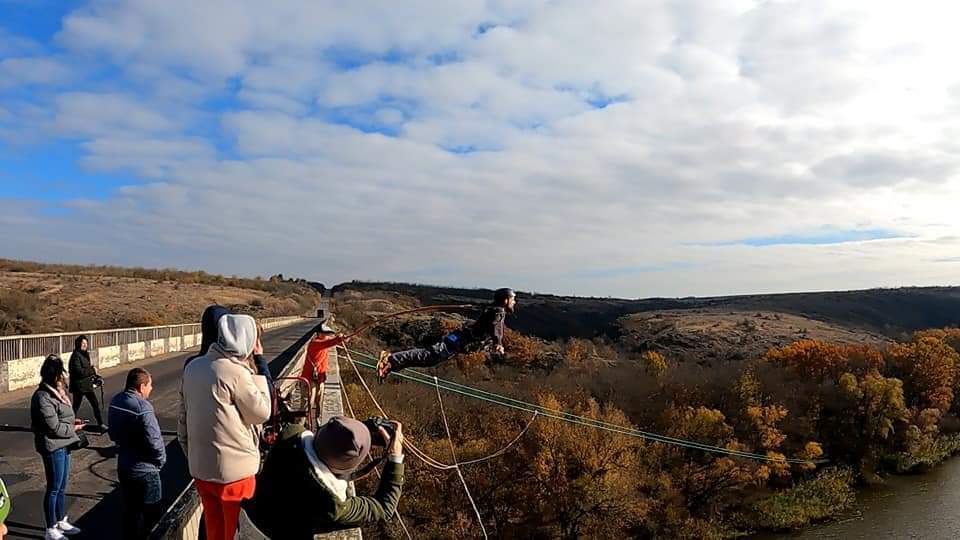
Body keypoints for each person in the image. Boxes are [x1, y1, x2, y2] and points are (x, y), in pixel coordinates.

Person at [178, 314, 272, 540]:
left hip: (202, 470)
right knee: (234, 530)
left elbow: (183, 421)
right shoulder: (236, 372)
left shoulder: (192, 368)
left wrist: (193, 456)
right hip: (234, 474)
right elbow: (262, 413)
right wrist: (257, 370)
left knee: (214, 529)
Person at [245, 416, 405, 539]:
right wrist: (395, 459)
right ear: (348, 467)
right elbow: (384, 507)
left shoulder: (290, 436)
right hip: (273, 533)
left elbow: (329, 438)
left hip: (249, 509)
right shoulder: (333, 505)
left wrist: (359, 430)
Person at [377, 288, 518, 379]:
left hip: (459, 340)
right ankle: (390, 359)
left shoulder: (493, 310)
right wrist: (498, 343)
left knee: (430, 359)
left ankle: (391, 364)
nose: (514, 302)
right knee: (429, 355)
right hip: (459, 340)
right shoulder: (498, 312)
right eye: (513, 299)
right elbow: (496, 328)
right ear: (506, 300)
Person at [108, 368, 166, 539]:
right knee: (152, 519)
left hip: (124, 466)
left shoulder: (116, 401)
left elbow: (112, 433)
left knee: (131, 514)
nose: (151, 389)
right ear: (141, 387)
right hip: (146, 470)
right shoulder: (143, 408)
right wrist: (160, 460)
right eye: (150, 385)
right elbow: (155, 440)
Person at [30, 355, 82, 540]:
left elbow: (62, 417)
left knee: (62, 486)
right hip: (53, 446)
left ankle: (61, 520)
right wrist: (72, 428)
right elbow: (54, 427)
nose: (64, 378)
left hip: (64, 443)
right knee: (53, 487)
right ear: (55, 376)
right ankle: (50, 527)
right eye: (61, 374)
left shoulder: (57, 393)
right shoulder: (43, 397)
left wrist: (71, 421)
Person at [301, 324, 345, 414]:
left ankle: (317, 419)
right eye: (325, 333)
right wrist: (338, 339)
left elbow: (331, 341)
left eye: (328, 333)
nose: (327, 335)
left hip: (319, 378)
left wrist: (342, 338)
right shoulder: (315, 343)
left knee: (319, 400)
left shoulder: (323, 342)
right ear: (319, 334)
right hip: (309, 378)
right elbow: (329, 343)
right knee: (308, 402)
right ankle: (302, 423)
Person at [67, 335, 105, 430]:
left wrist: (95, 377)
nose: (84, 345)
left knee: (94, 404)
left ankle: (101, 424)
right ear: (78, 344)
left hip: (86, 385)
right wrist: (92, 370)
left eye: (86, 343)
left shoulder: (84, 354)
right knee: (77, 406)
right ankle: (68, 425)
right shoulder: (76, 356)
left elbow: (86, 370)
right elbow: (79, 372)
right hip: (79, 386)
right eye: (82, 343)